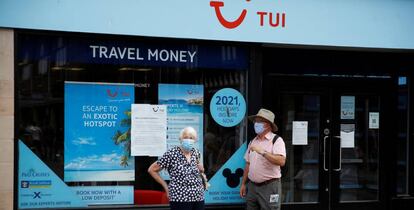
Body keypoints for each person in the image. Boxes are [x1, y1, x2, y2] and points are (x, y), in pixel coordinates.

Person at [148, 126, 205, 210]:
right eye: (185, 137)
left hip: (198, 196)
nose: (188, 140)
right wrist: (166, 187)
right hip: (179, 197)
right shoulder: (172, 153)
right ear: (180, 139)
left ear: (195, 140)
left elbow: (199, 172)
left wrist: (201, 170)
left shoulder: (196, 153)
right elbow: (152, 170)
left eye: (191, 138)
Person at [240, 108, 286, 210]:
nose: (256, 124)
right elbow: (248, 164)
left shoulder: (277, 140)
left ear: (268, 124)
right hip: (252, 187)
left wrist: (263, 152)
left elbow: (281, 161)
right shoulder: (253, 141)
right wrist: (243, 183)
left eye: (259, 121)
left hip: (269, 186)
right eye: (255, 121)